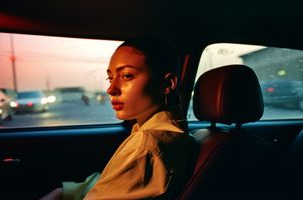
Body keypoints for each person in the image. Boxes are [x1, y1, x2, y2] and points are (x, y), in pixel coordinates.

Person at [39, 36, 198, 200]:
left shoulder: (146, 146)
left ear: (168, 84)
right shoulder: (157, 136)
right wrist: (63, 192)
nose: (111, 89)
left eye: (127, 76)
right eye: (110, 78)